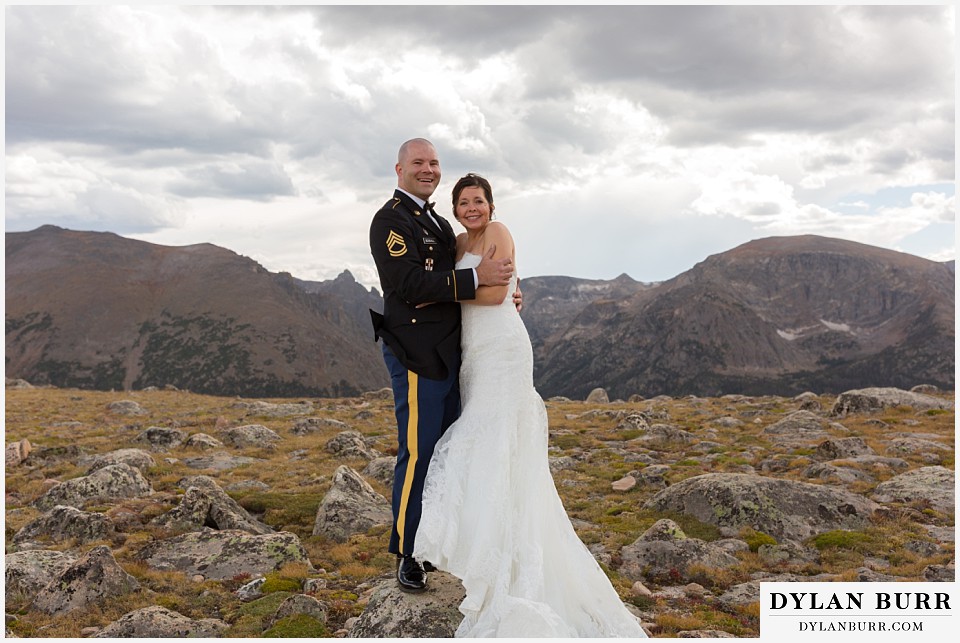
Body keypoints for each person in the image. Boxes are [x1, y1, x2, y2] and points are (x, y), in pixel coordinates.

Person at [413, 173, 648, 637]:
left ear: (491, 205)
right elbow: (466, 284)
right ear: (455, 208)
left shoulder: (498, 234)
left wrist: (460, 288)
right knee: (487, 442)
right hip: (473, 353)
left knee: (486, 436)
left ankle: (499, 554)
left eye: (478, 201)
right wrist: (463, 284)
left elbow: (498, 294)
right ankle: (484, 543)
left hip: (502, 347)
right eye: (464, 202)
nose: (471, 208)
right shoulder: (458, 242)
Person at [369, 139, 518, 593]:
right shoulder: (391, 221)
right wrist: (479, 280)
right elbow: (412, 283)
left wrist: (505, 299)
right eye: (419, 162)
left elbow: (456, 283)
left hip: (454, 354)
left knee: (448, 452)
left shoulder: (434, 219)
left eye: (434, 163)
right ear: (399, 168)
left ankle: (436, 540)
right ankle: (408, 551)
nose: (428, 169)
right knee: (417, 453)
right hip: (417, 353)